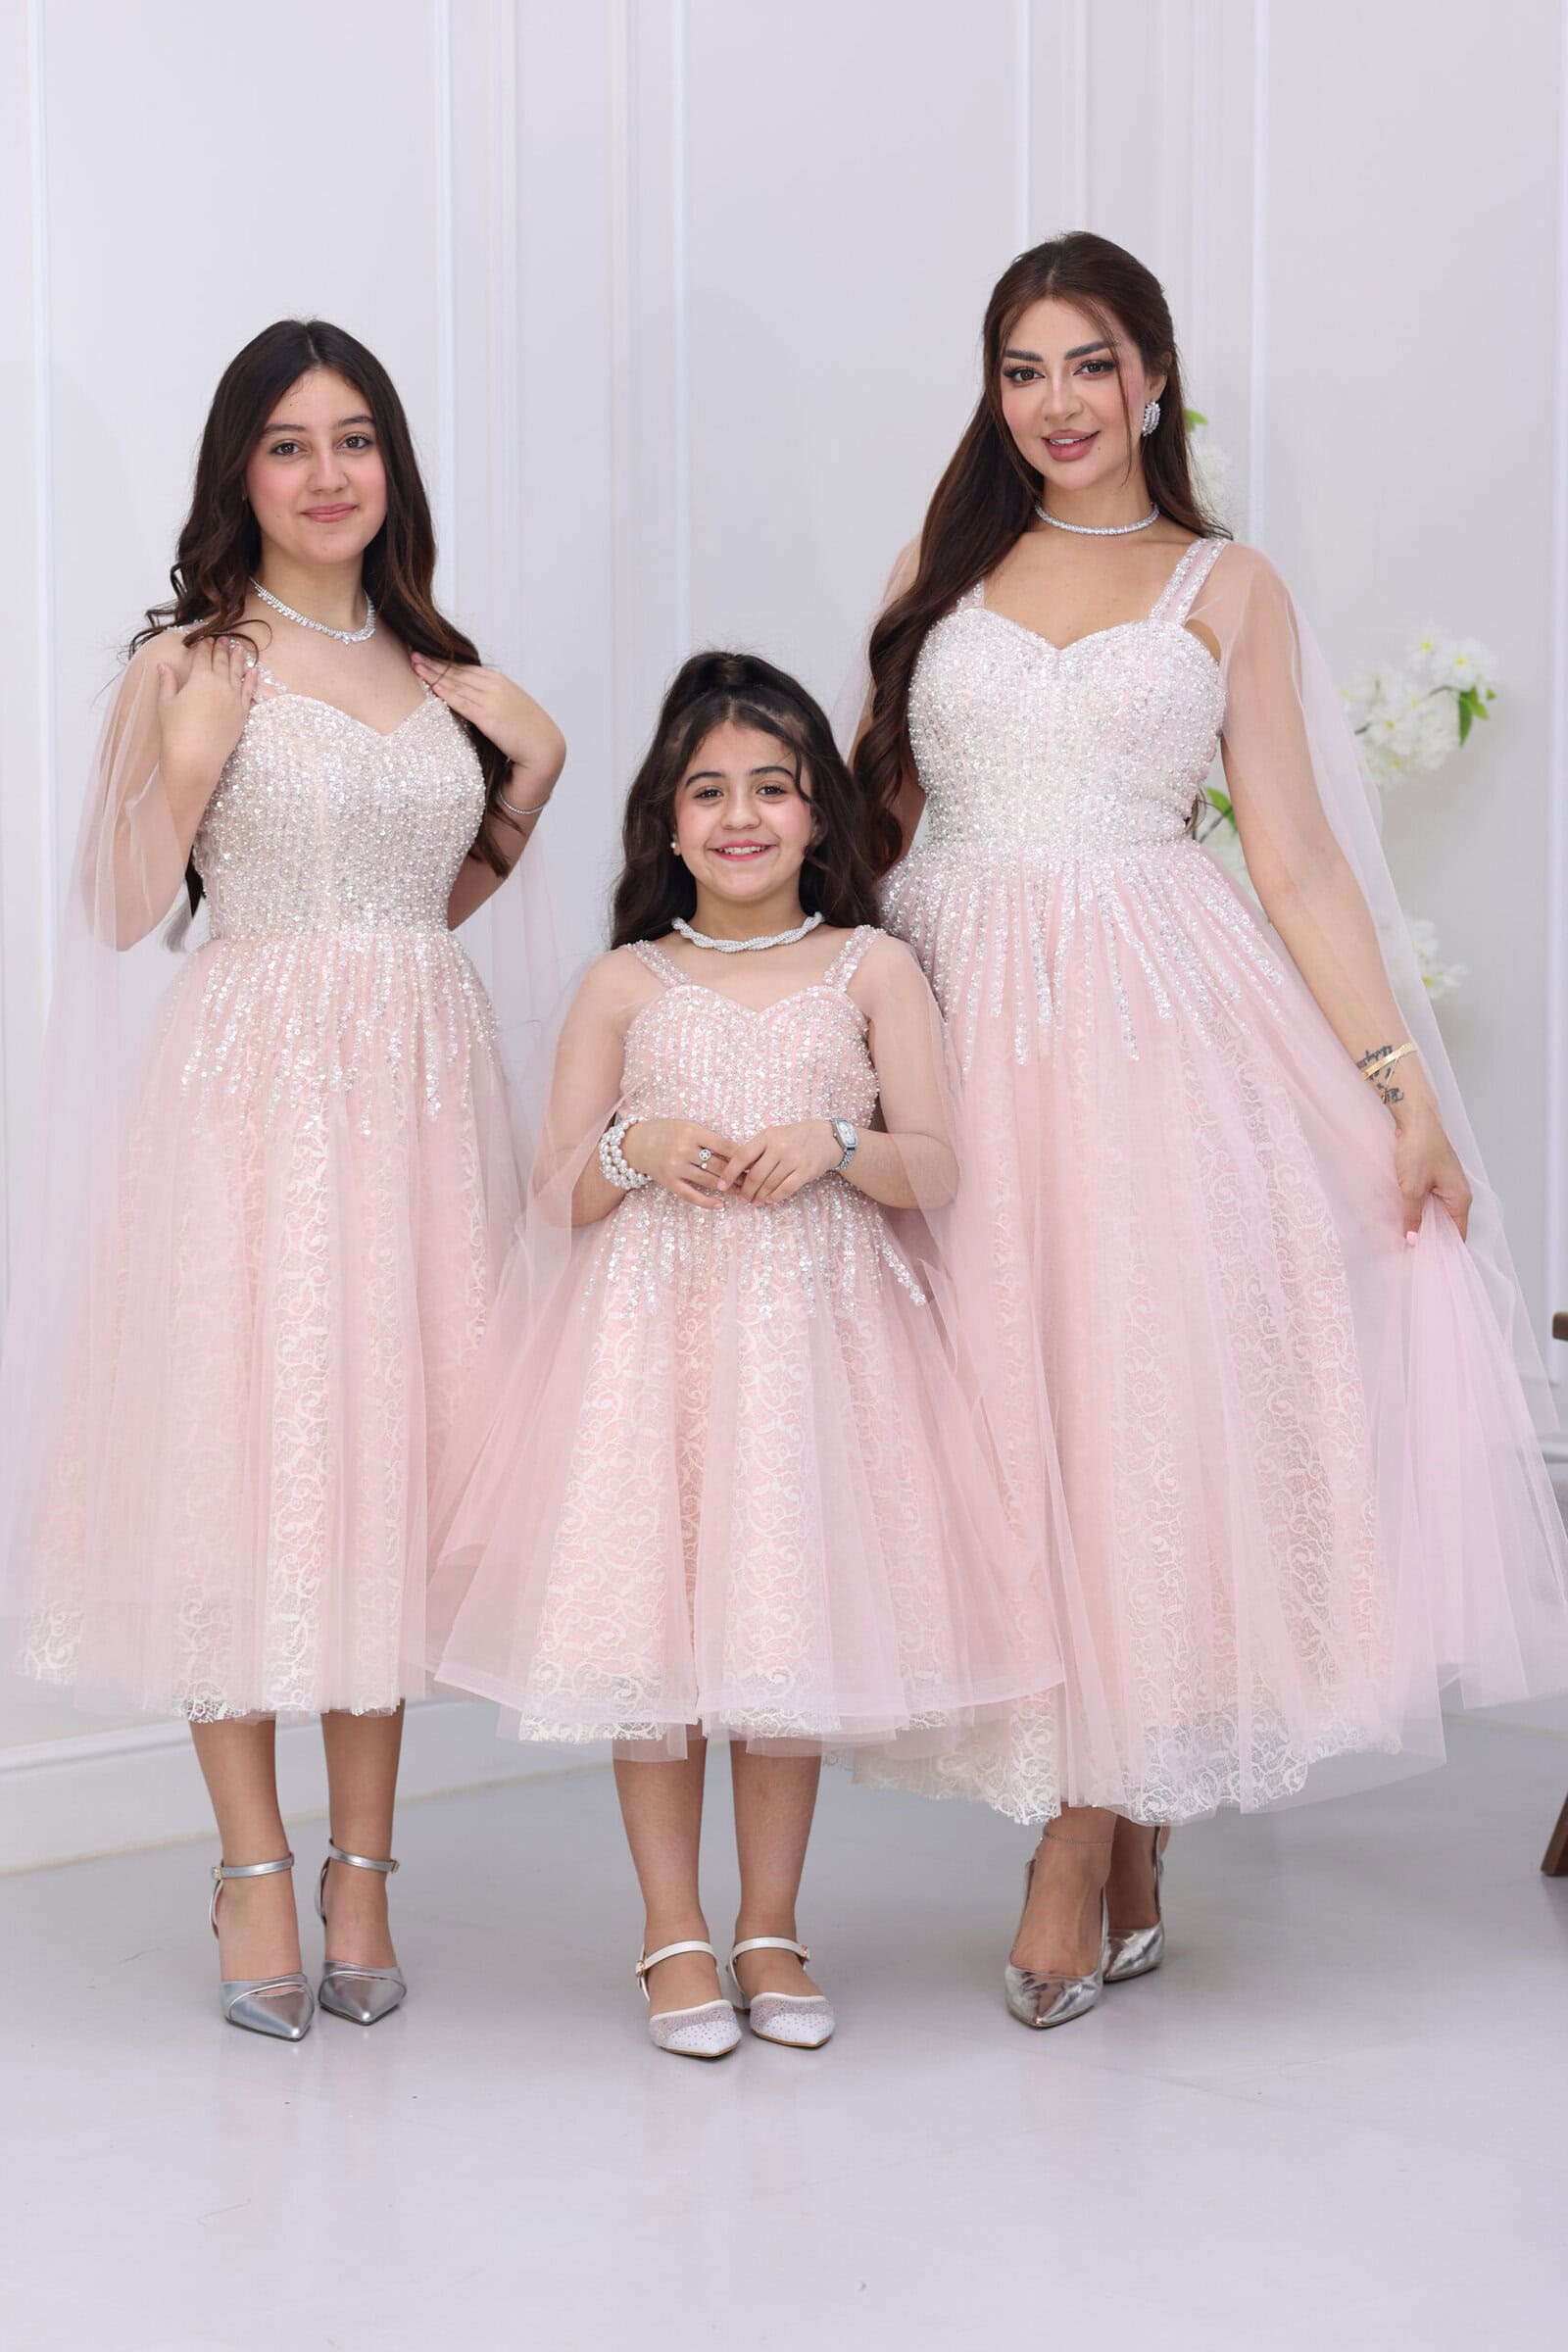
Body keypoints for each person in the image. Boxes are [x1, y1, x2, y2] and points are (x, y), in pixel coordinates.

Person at [851, 231, 1568, 2029]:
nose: (1060, 403)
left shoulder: (1227, 585)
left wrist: (1401, 1088)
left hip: (1153, 1031)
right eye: (1024, 369)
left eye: (1092, 363)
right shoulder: (940, 570)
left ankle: (1082, 1836)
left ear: (1156, 378)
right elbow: (871, 816)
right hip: (960, 1012)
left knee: (1140, 1411)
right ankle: (1124, 1807)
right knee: (1005, 1417)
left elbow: (1300, 861)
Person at [0, 319, 565, 2039]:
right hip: (251, 1096)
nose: (329, 475)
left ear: (393, 465)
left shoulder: (435, 668)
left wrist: (530, 781)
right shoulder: (189, 664)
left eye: (357, 439)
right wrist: (182, 768)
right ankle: (252, 1865)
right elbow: (114, 915)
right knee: (237, 1465)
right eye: (290, 445)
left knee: (384, 1460)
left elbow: (424, 903)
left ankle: (364, 1870)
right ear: (238, 473)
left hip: (418, 1090)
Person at [427, 651, 1058, 2057]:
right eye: (708, 791)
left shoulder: (872, 968)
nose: (742, 816)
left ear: (820, 813)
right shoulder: (623, 984)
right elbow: (552, 1194)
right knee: (649, 1647)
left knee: (783, 1636)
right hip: (653, 1354)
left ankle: (769, 1929)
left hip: (815, 1360)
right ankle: (672, 1934)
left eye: (773, 787)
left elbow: (938, 1167)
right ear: (666, 820)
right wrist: (630, 1147)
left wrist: (838, 1143)